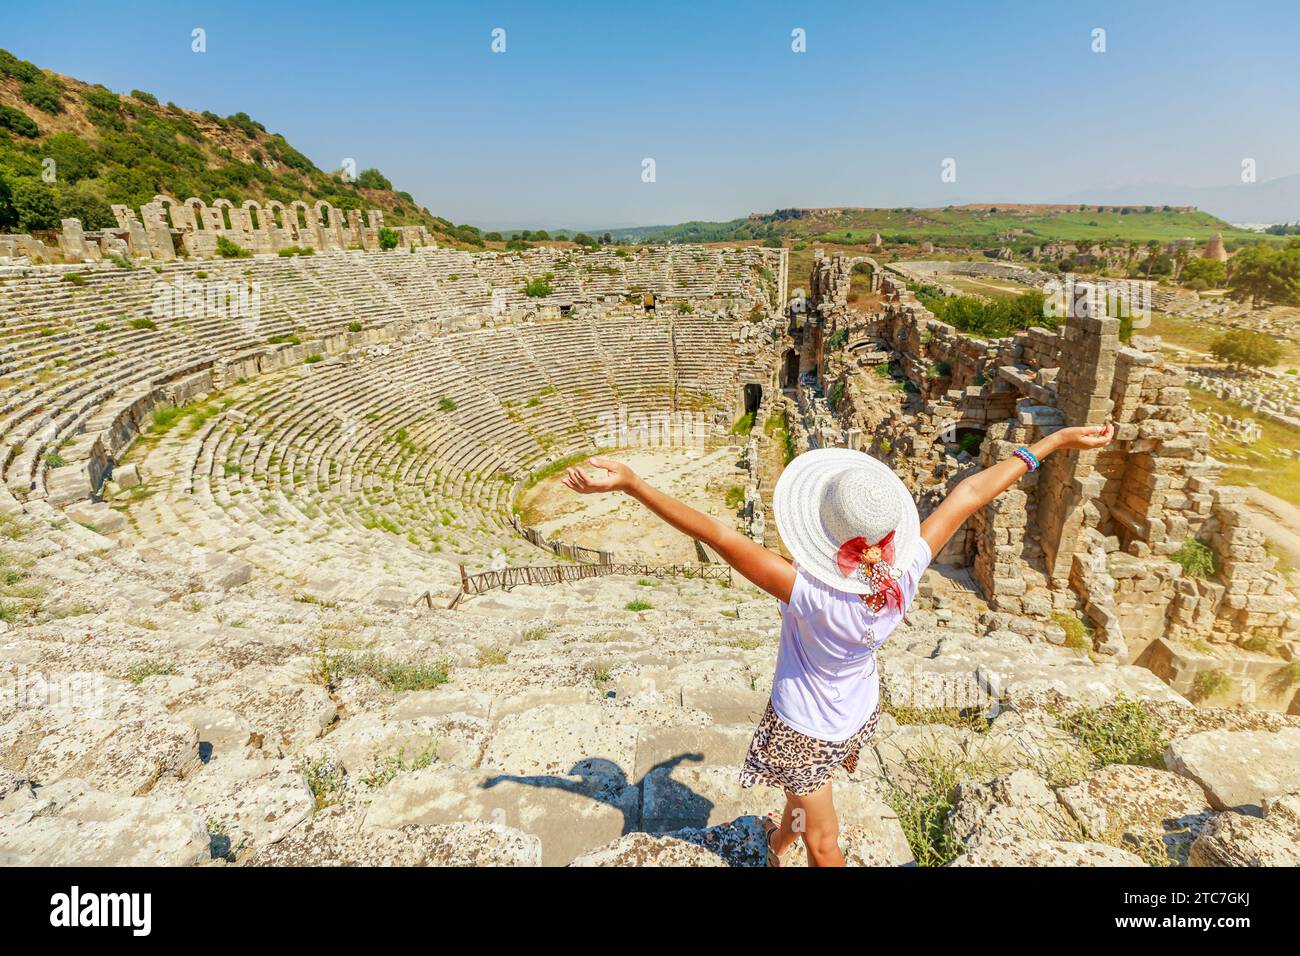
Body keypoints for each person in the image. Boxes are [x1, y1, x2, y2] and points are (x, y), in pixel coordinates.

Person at [562, 422, 1114, 866]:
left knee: (826, 846)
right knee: (803, 796)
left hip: (806, 728)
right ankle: (779, 846)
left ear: (823, 536)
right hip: (855, 711)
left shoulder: (808, 593)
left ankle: (792, 846)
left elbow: (717, 535)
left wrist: (633, 484)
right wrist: (1054, 442)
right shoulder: (905, 569)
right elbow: (970, 492)